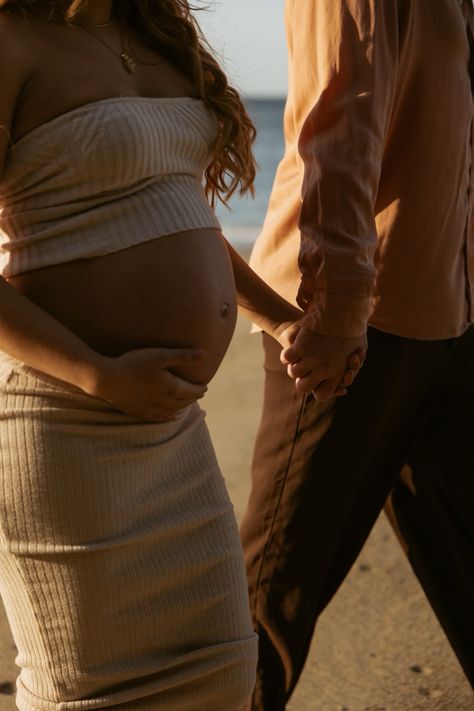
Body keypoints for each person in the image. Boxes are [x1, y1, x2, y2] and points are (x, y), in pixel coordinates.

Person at [0, 1, 363, 708]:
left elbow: (173, 215)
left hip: (174, 437)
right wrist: (99, 375)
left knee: (222, 670)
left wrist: (285, 320)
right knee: (93, 692)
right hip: (66, 429)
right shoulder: (11, 42)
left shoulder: (153, 36)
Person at [240, 0, 474, 708]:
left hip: (449, 318)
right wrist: (339, 309)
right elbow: (340, 123)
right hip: (353, 329)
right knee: (267, 608)